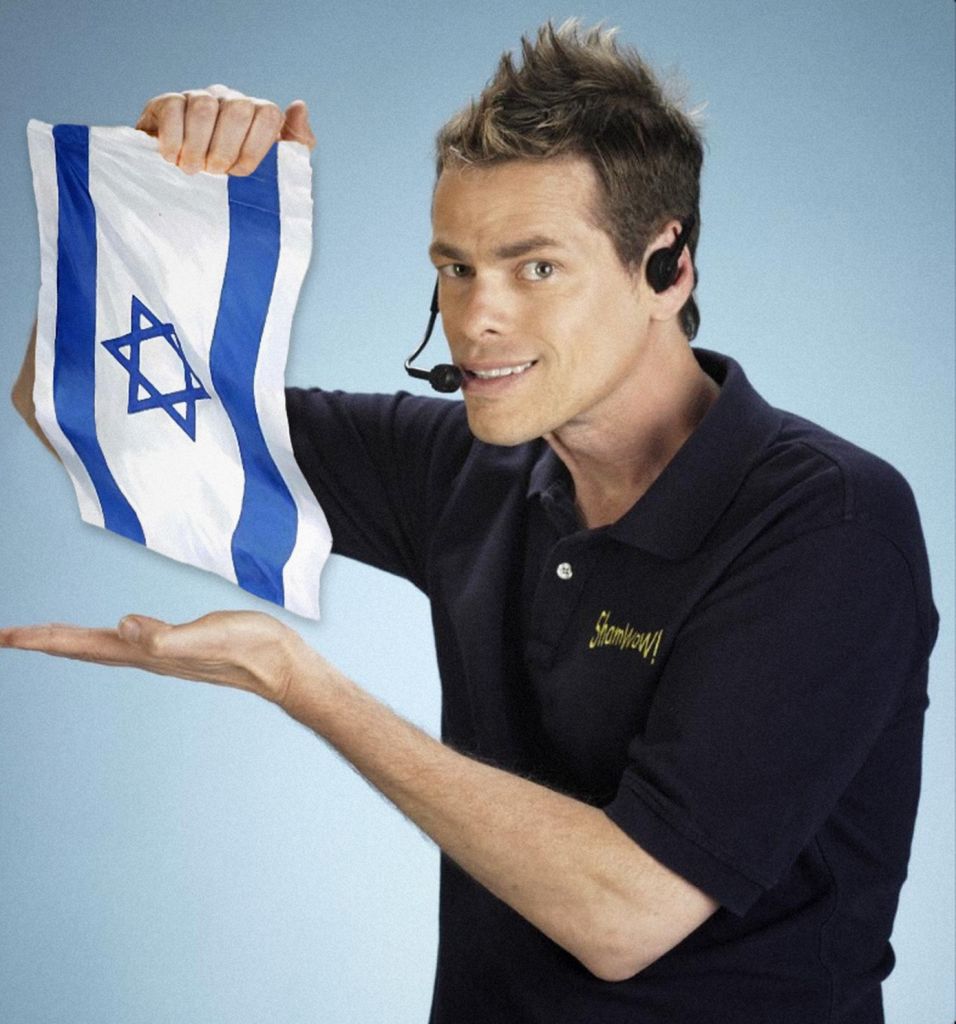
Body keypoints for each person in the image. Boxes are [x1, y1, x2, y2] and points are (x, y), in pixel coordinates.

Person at [4, 21, 938, 1024]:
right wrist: (157, 195)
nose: (476, 317)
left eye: (535, 268)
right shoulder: (467, 466)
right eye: (455, 267)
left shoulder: (830, 523)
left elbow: (624, 913)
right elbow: (93, 413)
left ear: (667, 267)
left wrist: (298, 683)